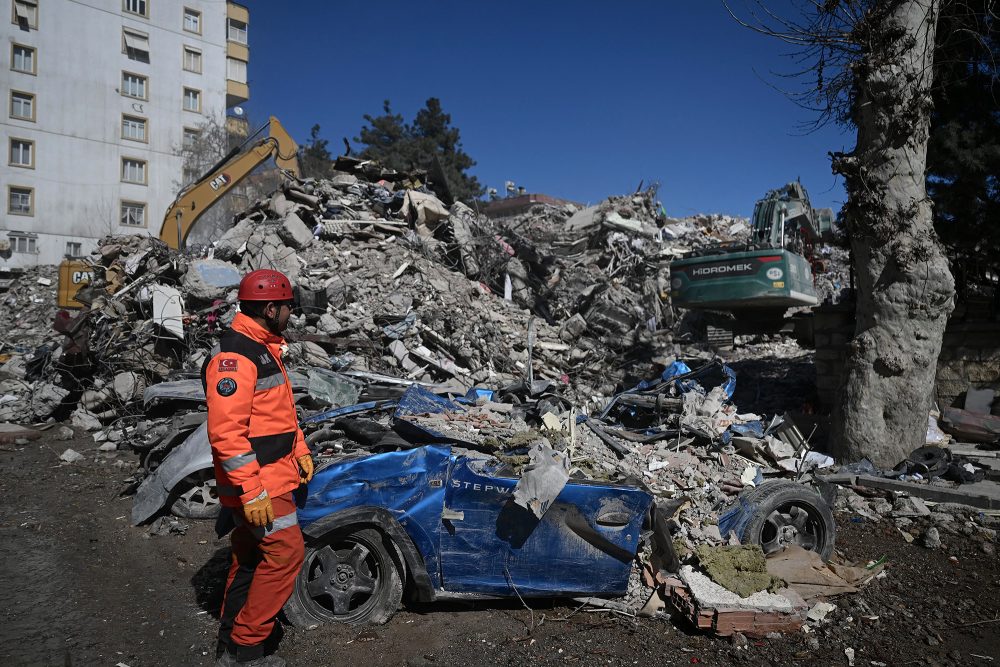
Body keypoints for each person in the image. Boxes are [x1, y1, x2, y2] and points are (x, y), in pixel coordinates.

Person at [202, 268, 314, 667]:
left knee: (249, 558)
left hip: (272, 478)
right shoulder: (236, 357)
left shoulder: (263, 346)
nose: (290, 314)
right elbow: (227, 435)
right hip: (260, 487)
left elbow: (278, 413)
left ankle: (229, 645)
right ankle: (248, 651)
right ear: (270, 308)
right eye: (286, 307)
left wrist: (299, 447)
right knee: (285, 555)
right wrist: (251, 492)